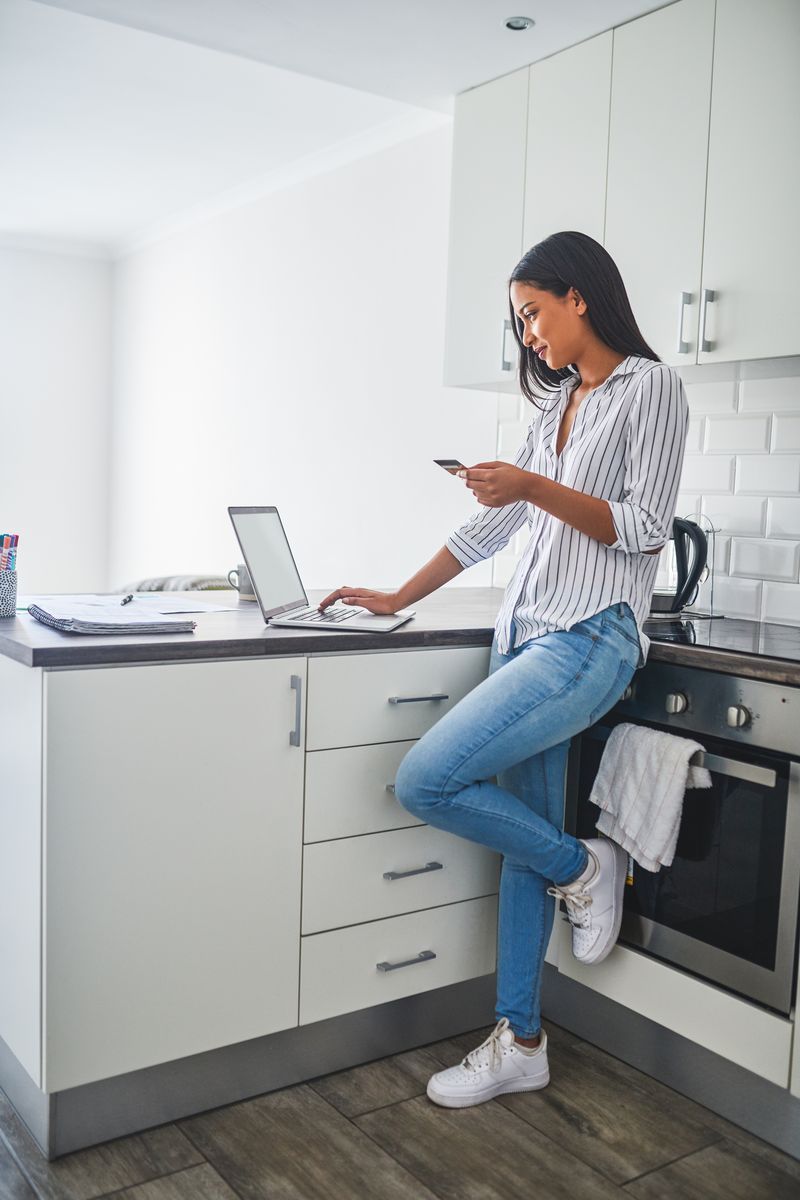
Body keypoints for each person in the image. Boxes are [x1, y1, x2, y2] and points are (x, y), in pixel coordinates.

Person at [318, 230, 689, 1108]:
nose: (528, 335)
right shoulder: (558, 404)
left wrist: (530, 487)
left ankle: (583, 868)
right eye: (520, 321)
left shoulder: (653, 389)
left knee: (424, 780)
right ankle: (520, 1039)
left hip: (587, 639)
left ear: (579, 298)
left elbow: (641, 528)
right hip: (524, 637)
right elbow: (493, 529)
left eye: (531, 314)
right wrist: (394, 593)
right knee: (514, 840)